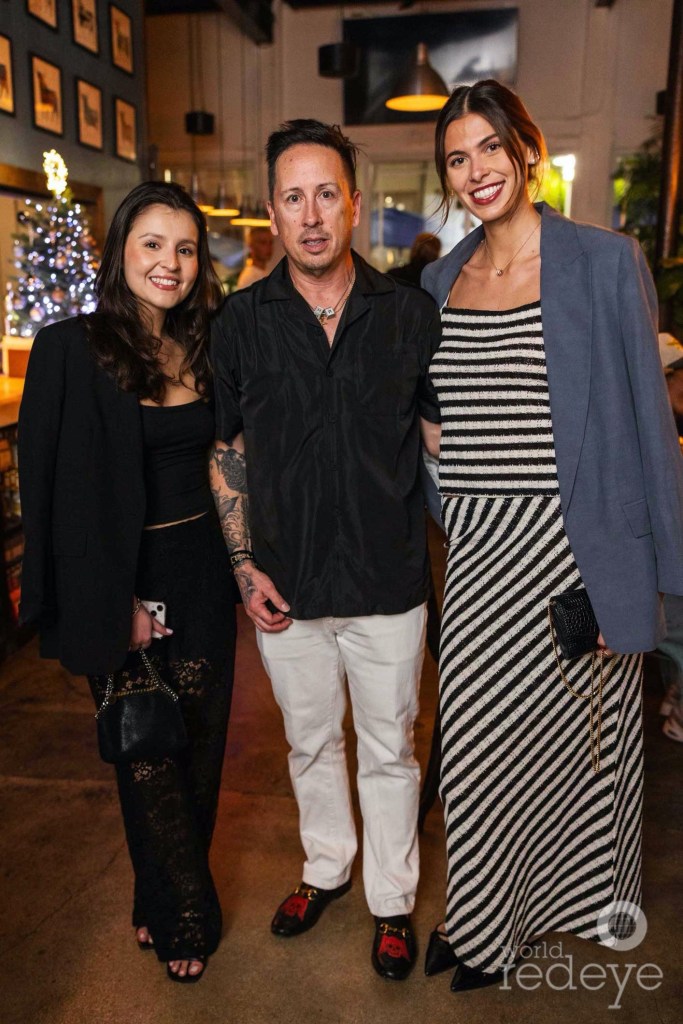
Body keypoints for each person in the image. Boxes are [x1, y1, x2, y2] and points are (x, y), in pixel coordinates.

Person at [419, 79, 683, 992]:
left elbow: (649, 430)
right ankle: (482, 920)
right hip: (477, 557)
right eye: (457, 158)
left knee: (574, 752)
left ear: (526, 150)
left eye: (490, 147)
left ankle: (557, 910)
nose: (476, 170)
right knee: (477, 753)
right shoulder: (439, 281)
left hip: (575, 555)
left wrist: (643, 590)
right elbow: (440, 417)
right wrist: (432, 452)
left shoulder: (604, 261)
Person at [209, 119, 442, 980]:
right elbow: (226, 451)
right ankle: (326, 868)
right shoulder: (240, 322)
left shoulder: (408, 314)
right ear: (272, 211)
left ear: (353, 203)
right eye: (292, 197)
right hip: (287, 584)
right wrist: (244, 568)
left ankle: (391, 899)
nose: (309, 215)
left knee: (389, 749)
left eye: (325, 195)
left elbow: (440, 443)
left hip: (389, 581)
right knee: (309, 744)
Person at [18, 181, 237, 984]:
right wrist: (116, 604)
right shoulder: (68, 348)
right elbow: (51, 493)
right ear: (120, 251)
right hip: (120, 579)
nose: (169, 263)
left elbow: (226, 463)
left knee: (200, 751)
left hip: (202, 575)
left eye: (185, 248)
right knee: (145, 753)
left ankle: (157, 893)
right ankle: (189, 914)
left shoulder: (206, 345)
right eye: (152, 244)